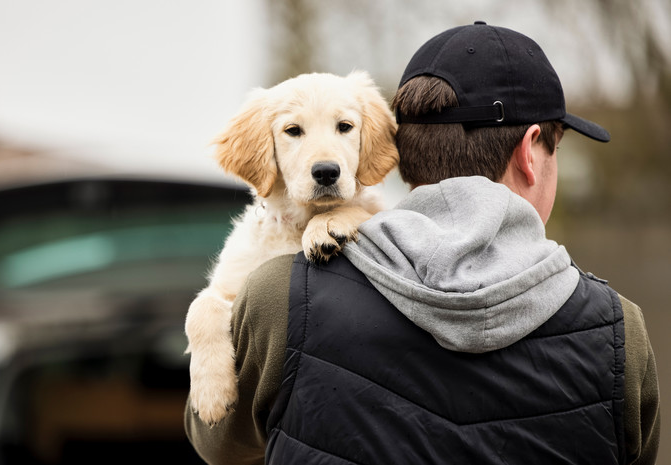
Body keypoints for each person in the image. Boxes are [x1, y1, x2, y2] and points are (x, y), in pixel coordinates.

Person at [185, 22, 660, 465]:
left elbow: (218, 442)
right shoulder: (620, 333)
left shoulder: (279, 297)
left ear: (397, 152)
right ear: (532, 152)